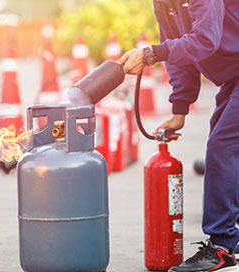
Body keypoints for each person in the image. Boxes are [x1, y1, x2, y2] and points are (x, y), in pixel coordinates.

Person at [117, 0, 239, 271]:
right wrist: (179, 110)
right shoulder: (163, 3)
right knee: (224, 143)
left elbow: (204, 40)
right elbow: (180, 56)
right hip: (232, 79)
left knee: (222, 147)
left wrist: (150, 54)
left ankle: (222, 246)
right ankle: (231, 233)